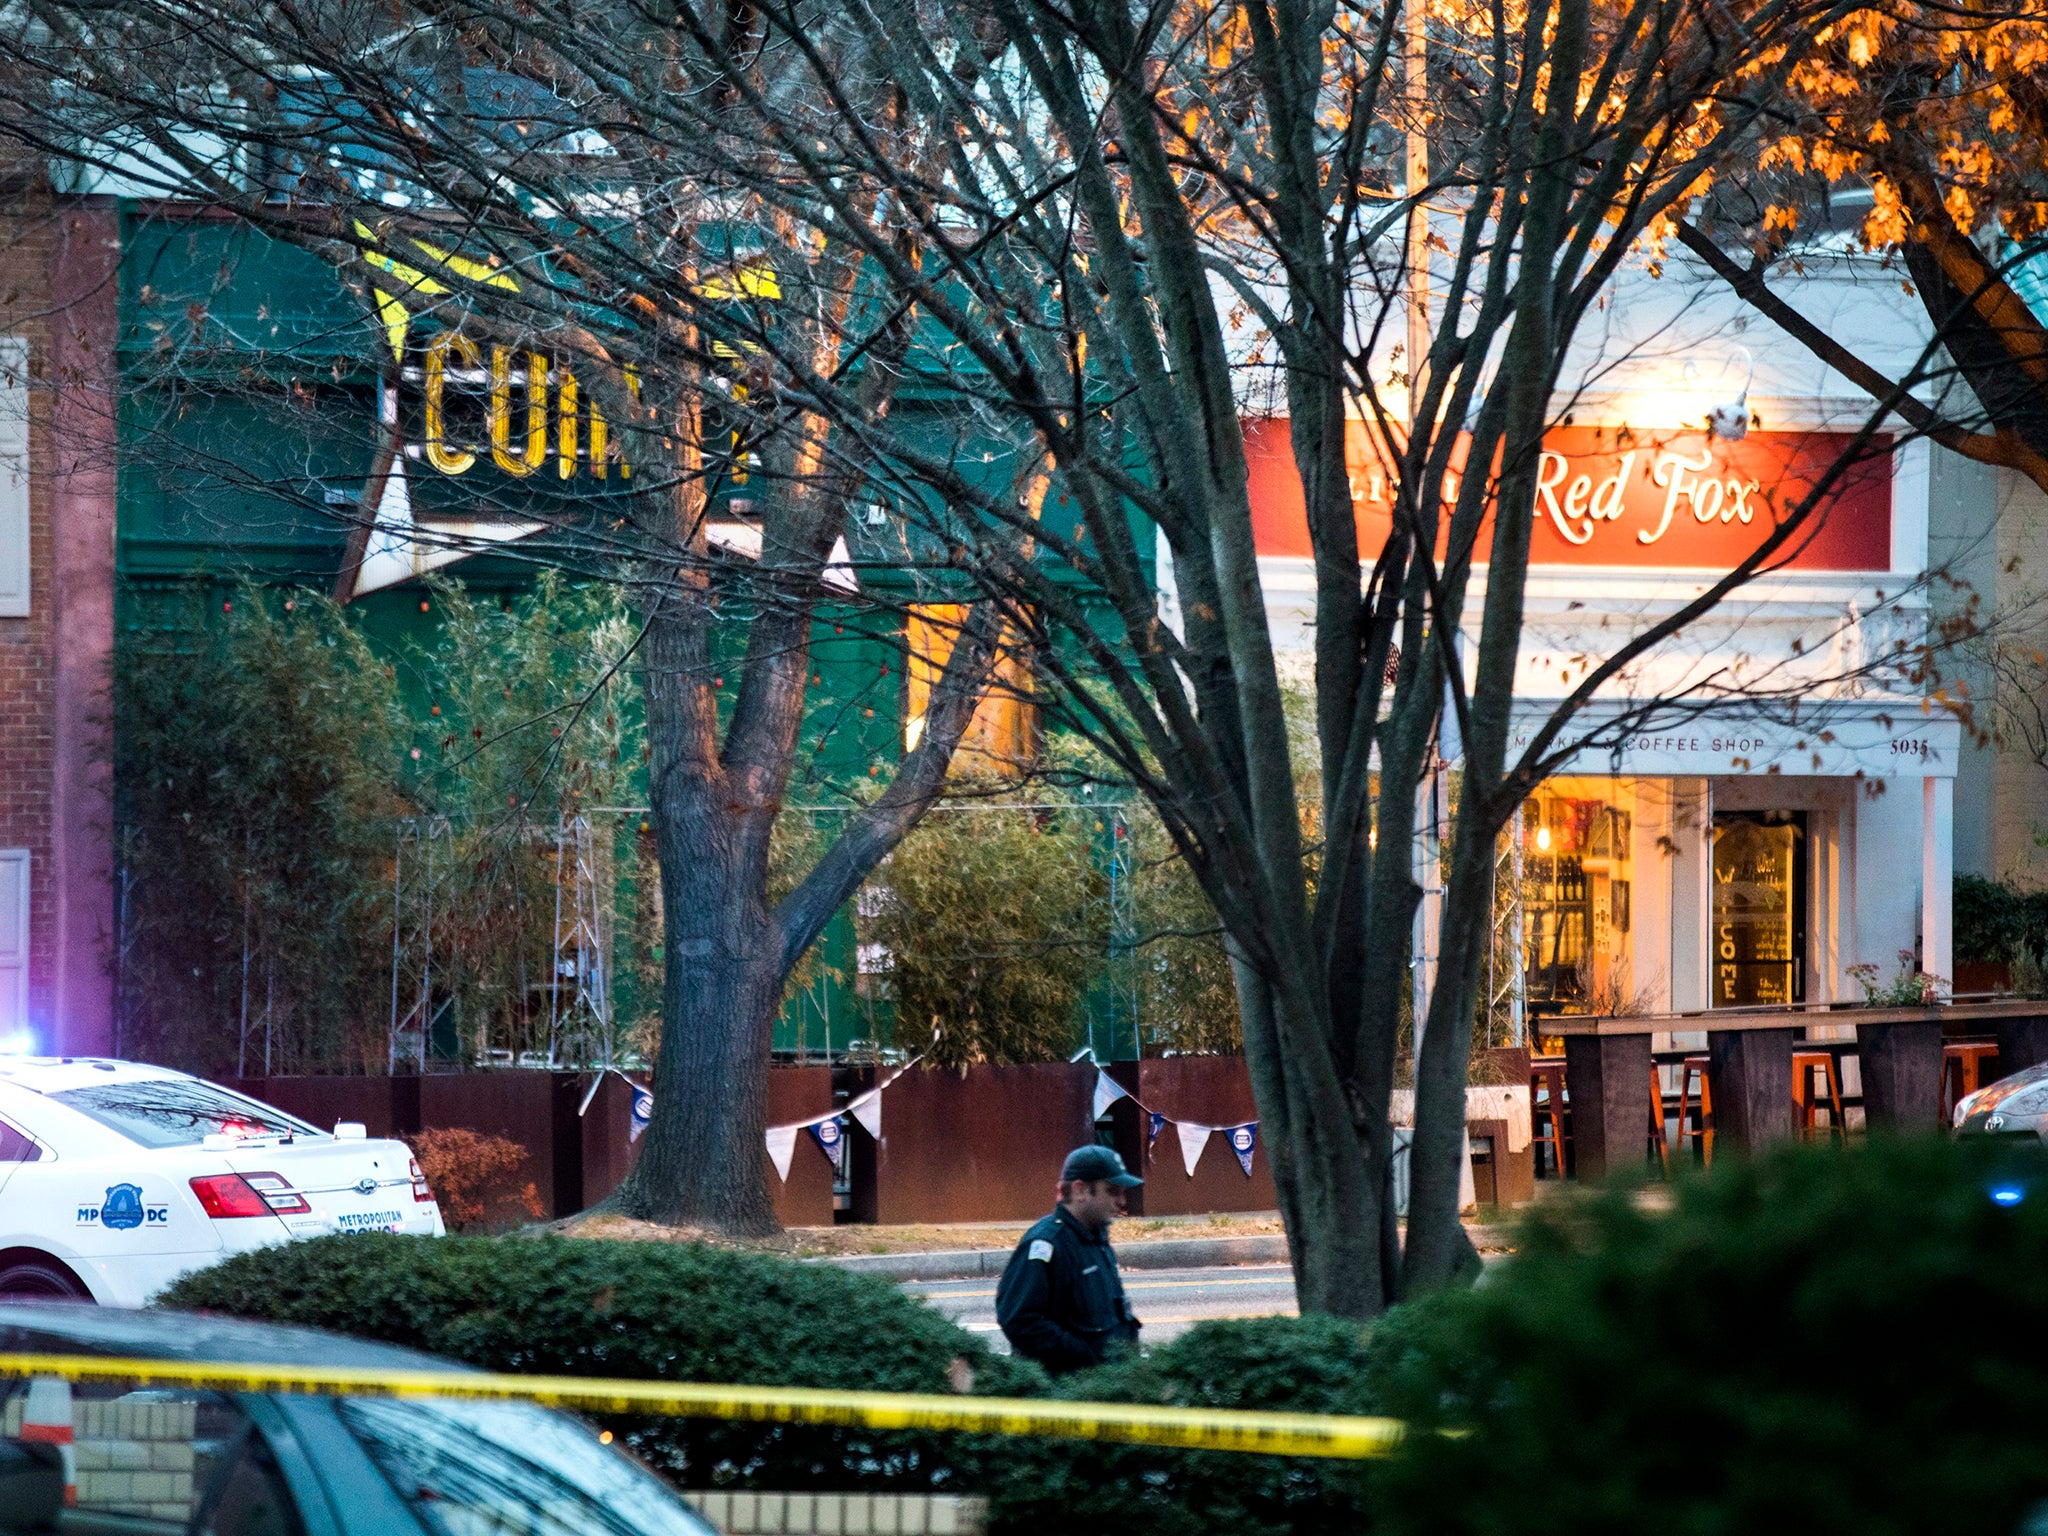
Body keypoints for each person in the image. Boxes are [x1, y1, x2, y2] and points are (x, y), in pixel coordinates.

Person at [995, 1144, 1143, 1373]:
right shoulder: (1047, 1243)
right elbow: (1020, 1320)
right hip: (1066, 1395)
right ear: (1080, 1190)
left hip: (1105, 1390)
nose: (1122, 1202)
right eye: (1112, 1191)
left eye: (1123, 1192)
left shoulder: (1096, 1238)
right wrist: (1085, 1358)